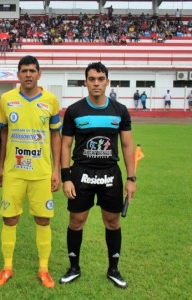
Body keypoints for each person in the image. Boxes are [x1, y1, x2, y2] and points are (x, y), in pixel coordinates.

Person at [59, 62, 136, 289]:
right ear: (85, 82)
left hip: (110, 174)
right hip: (81, 173)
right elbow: (65, 146)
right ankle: (74, 268)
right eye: (91, 79)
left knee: (112, 222)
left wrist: (131, 179)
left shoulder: (119, 111)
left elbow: (128, 146)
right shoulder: (74, 111)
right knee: (76, 221)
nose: (96, 83)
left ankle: (113, 270)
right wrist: (66, 177)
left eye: (100, 79)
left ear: (107, 82)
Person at [0, 55, 62, 288]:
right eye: (24, 70)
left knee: (43, 219)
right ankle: (7, 267)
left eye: (32, 70)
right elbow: (3, 134)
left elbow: (55, 136)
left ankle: (44, 269)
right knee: (9, 218)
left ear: (39, 74)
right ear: (18, 74)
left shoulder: (51, 100)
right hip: (14, 171)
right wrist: (1, 166)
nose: (28, 74)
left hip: (41, 173)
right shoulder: (7, 100)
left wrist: (56, 171)